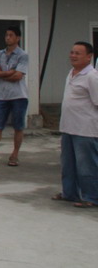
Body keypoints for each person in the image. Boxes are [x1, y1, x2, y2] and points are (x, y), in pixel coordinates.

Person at [52, 42, 98, 208]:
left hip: (85, 129)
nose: (73, 56)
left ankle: (92, 197)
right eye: (72, 52)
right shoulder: (71, 73)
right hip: (68, 127)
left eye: (78, 53)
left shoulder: (92, 76)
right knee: (68, 164)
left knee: (86, 165)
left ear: (89, 57)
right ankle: (69, 193)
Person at [0, 26, 29, 166]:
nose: (8, 38)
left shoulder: (22, 55)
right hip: (3, 96)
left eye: (11, 35)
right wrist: (8, 73)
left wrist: (1, 74)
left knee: (18, 126)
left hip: (19, 96)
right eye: (6, 35)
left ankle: (15, 154)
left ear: (18, 38)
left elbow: (18, 76)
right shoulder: (0, 54)